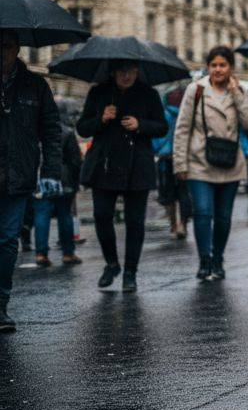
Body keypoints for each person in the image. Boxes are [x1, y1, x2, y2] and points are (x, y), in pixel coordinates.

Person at [77, 59, 168, 292]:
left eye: (130, 71)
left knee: (135, 221)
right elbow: (82, 127)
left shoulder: (149, 94)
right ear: (113, 72)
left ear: (137, 71)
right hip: (104, 164)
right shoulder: (99, 93)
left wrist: (140, 124)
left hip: (137, 164)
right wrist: (102, 118)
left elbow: (162, 127)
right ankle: (111, 263)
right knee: (102, 214)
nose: (126, 76)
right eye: (121, 71)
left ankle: (130, 272)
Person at [174, 46, 248, 282]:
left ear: (230, 67)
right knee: (202, 212)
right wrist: (180, 164)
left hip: (230, 163)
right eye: (214, 65)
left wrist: (237, 94)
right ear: (208, 67)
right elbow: (182, 128)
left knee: (223, 217)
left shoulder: (240, 90)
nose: (218, 69)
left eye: (223, 65)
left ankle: (218, 258)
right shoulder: (196, 90)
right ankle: (204, 259)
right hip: (200, 161)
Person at [0, 29, 63, 331]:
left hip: (18, 175)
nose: (2, 51)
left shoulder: (35, 86)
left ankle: (0, 305)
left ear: (17, 49)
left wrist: (51, 173)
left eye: (7, 46)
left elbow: (51, 131)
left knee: (8, 240)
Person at [33, 105, 82, 267]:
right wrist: (75, 182)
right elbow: (75, 160)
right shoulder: (67, 132)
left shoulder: (35, 131)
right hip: (64, 179)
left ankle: (41, 253)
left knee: (41, 214)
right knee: (65, 215)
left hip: (41, 177)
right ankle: (68, 253)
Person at [154, 86, 191, 239]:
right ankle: (183, 224)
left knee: (168, 193)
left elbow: (156, 138)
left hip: (165, 158)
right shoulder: (187, 115)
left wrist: (158, 151)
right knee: (184, 192)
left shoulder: (164, 115)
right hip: (184, 157)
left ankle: (173, 225)